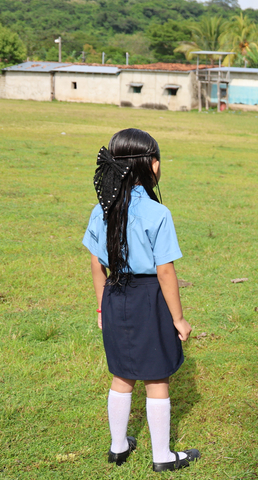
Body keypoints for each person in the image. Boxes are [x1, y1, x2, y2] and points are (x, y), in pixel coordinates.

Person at [83, 128, 201, 472]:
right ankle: (162, 456)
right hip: (148, 299)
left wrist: (102, 305)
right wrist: (178, 319)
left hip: (115, 294)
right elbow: (165, 272)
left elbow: (95, 264)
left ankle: (118, 447)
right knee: (157, 378)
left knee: (121, 375)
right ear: (154, 165)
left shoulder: (100, 209)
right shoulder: (157, 214)